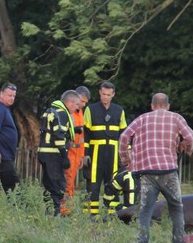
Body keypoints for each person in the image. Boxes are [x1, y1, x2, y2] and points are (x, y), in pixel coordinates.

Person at [119, 93, 193, 243]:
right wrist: (184, 148)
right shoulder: (176, 118)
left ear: (152, 106)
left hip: (148, 173)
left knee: (145, 210)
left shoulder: (141, 119)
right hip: (169, 171)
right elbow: (190, 136)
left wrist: (126, 160)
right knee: (176, 208)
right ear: (167, 106)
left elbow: (124, 136)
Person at [83, 81, 127, 216]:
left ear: (113, 95)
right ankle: (91, 215)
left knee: (112, 184)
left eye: (108, 94)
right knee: (93, 183)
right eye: (103, 94)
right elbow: (85, 134)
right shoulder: (90, 109)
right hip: (96, 151)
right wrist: (85, 154)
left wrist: (125, 154)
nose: (105, 97)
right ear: (99, 93)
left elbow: (124, 134)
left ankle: (112, 214)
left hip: (113, 152)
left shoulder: (119, 110)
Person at [37, 90, 81, 216]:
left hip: (44, 152)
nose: (77, 107)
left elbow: (51, 130)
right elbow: (58, 135)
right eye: (76, 104)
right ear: (70, 102)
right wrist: (64, 156)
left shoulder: (52, 110)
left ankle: (49, 211)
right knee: (59, 184)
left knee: (49, 183)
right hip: (53, 154)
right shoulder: (62, 113)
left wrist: (73, 130)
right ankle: (55, 213)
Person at [65, 85, 90, 199]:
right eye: (82, 101)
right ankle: (64, 209)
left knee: (71, 180)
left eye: (85, 102)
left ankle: (68, 207)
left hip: (76, 152)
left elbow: (81, 137)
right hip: (69, 150)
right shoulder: (68, 112)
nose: (84, 104)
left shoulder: (80, 112)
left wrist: (81, 156)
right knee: (67, 181)